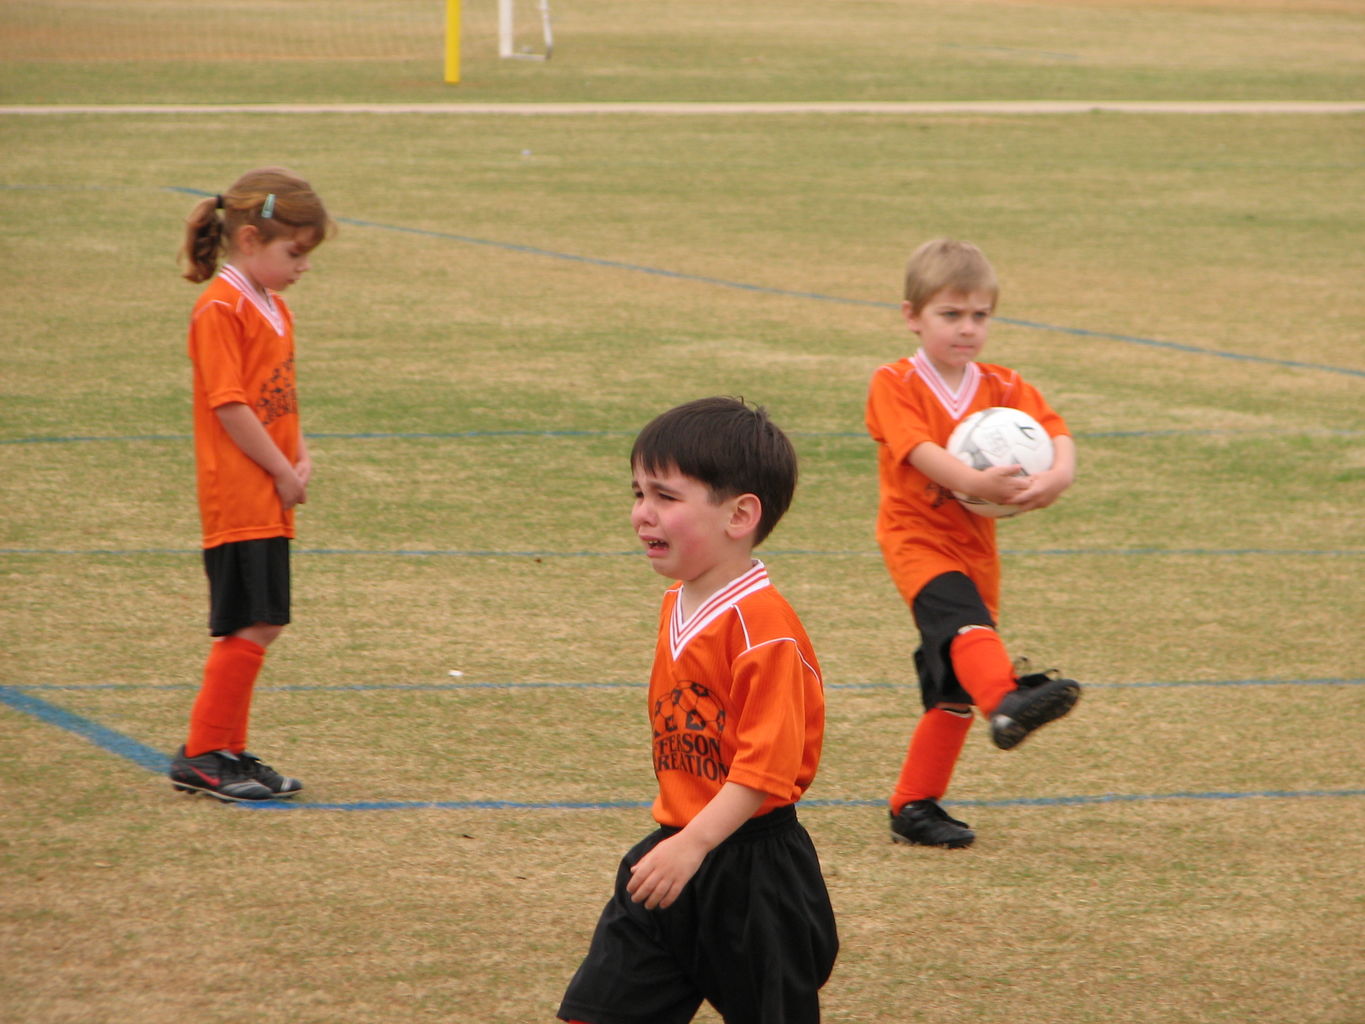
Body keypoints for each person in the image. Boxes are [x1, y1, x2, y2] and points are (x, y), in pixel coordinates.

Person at [558, 397, 838, 1024]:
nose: (641, 513)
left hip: (754, 875)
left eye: (666, 496)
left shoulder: (766, 631)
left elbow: (764, 773)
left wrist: (696, 846)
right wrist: (681, 846)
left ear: (740, 515)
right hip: (672, 853)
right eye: (637, 492)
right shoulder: (677, 604)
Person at [866, 238, 1081, 849]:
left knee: (950, 683)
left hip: (977, 548)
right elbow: (921, 451)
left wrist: (1057, 475)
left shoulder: (1004, 387)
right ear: (913, 315)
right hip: (917, 540)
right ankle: (1007, 701)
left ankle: (914, 805)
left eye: (980, 316)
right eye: (950, 315)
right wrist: (973, 481)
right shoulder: (895, 383)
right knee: (963, 627)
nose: (967, 329)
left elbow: (1056, 431)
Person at [167, 167, 334, 803]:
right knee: (252, 623)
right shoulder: (219, 307)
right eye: (293, 253)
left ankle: (224, 751)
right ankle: (206, 753)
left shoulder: (274, 307)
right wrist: (279, 469)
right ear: (246, 240)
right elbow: (231, 406)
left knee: (260, 621)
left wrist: (301, 455)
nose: (302, 267)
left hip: (269, 488)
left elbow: (279, 399)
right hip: (240, 494)